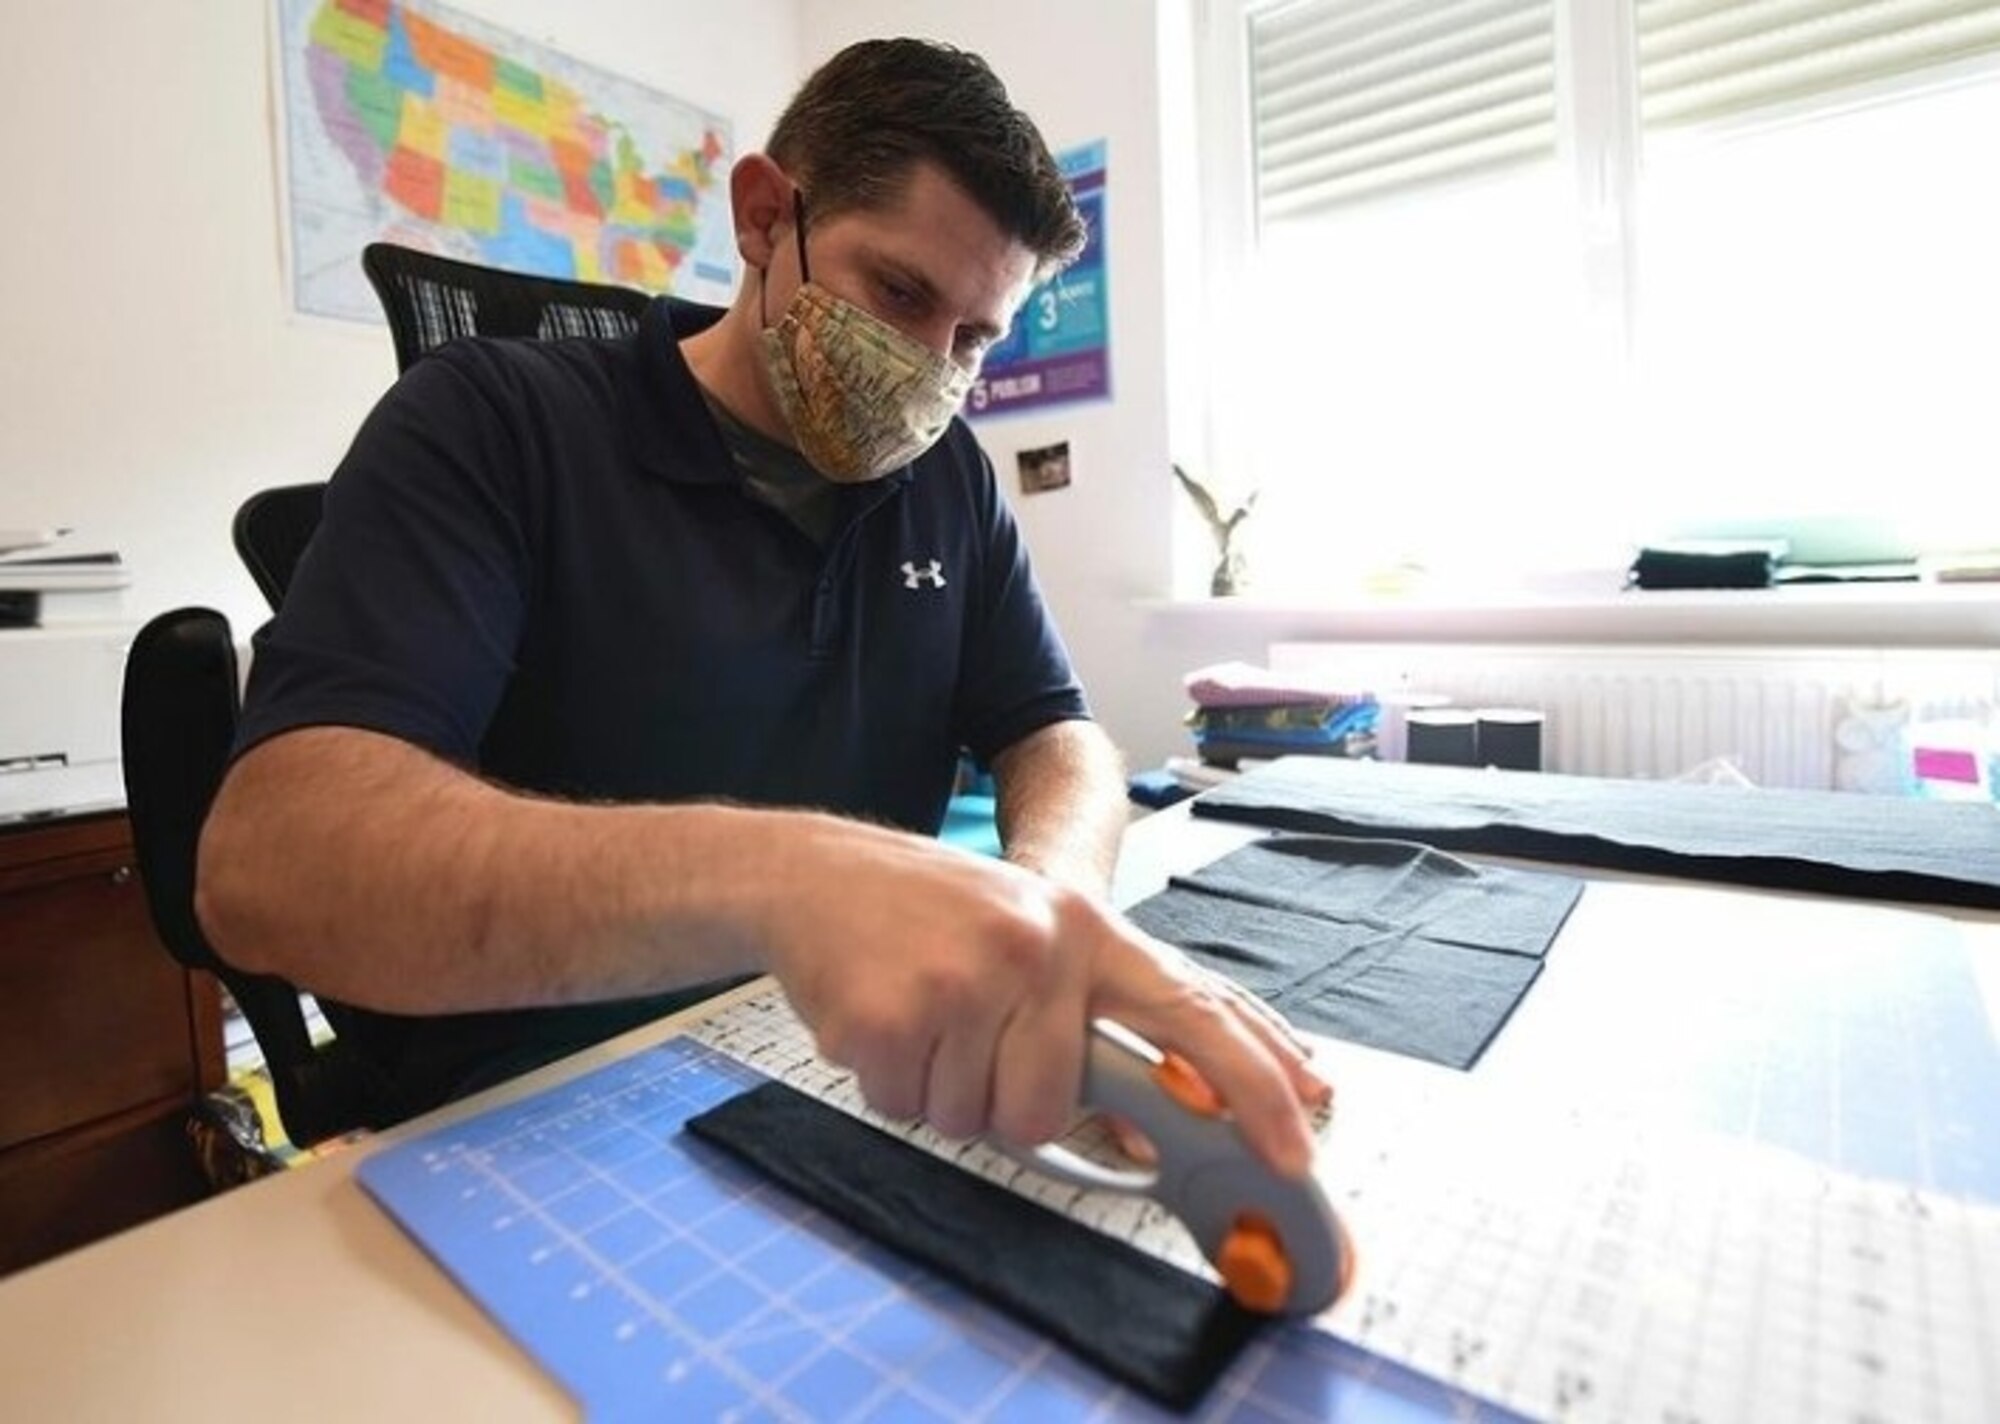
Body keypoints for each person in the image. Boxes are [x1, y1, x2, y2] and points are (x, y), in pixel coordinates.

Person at [199, 37, 1326, 1174]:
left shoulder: (946, 479)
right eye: (896, 291)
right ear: (760, 217)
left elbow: (1056, 733)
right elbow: (269, 865)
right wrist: (797, 882)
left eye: (974, 338)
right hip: (540, 1115)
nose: (929, 367)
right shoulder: (496, 421)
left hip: (841, 1067)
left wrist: (1052, 913)